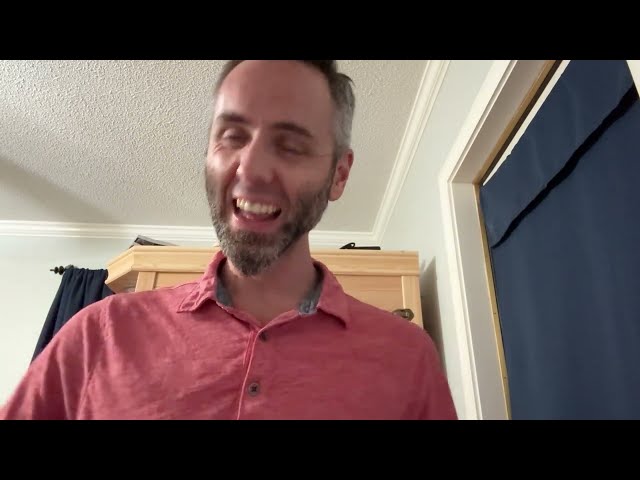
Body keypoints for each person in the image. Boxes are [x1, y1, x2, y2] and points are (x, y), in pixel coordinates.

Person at [0, 60, 458, 420]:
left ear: (339, 174)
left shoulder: (407, 357)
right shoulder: (98, 333)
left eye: (291, 145)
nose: (251, 169)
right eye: (232, 136)